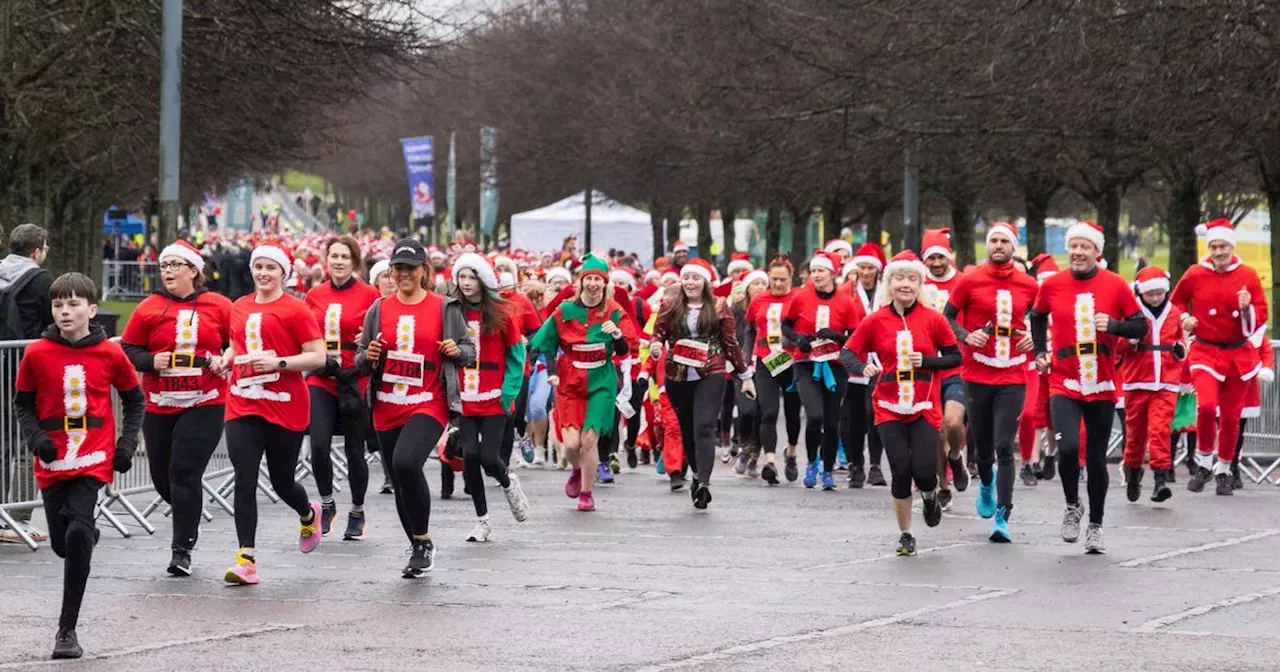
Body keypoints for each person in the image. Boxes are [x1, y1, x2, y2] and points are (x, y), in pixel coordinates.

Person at [14, 272, 144, 659]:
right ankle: (83, 535)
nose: (65, 311)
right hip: (52, 460)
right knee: (61, 543)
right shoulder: (36, 352)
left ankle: (66, 630)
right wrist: (36, 440)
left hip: (94, 456)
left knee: (75, 536)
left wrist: (126, 444)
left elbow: (134, 401)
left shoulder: (110, 353)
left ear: (92, 309)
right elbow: (22, 404)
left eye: (73, 304)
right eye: (58, 304)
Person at [356, 239, 475, 577]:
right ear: (391, 272)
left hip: (428, 400)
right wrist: (370, 357)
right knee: (398, 475)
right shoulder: (378, 309)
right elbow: (360, 359)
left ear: (425, 271)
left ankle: (422, 540)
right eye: (398, 268)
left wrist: (456, 350)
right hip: (386, 403)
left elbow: (470, 350)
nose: (404, 274)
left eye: (411, 268)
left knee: (406, 462)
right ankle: (417, 544)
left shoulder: (444, 307)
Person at [1030, 221, 1146, 554]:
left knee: (1096, 457)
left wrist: (1114, 325)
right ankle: (1071, 505)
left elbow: (1140, 327)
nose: (1079, 252)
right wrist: (1040, 351)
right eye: (1074, 247)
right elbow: (1037, 317)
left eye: (1085, 247)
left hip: (1102, 384)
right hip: (1063, 381)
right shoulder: (1053, 285)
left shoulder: (1116, 285)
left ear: (1097, 252)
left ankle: (1095, 524)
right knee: (1065, 447)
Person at [120, 240, 233, 576]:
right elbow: (128, 347)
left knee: (184, 472)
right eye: (164, 266)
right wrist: (150, 361)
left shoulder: (219, 305)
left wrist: (226, 358)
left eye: (174, 265)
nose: (167, 271)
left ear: (193, 271)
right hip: (159, 401)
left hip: (205, 401)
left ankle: (181, 550)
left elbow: (238, 340)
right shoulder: (149, 307)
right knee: (161, 477)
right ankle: (189, 513)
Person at [841, 251, 961, 556]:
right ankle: (906, 534)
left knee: (923, 471)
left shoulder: (933, 319)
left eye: (911, 279)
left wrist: (929, 360)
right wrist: (861, 367)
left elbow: (955, 356)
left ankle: (931, 494)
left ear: (920, 284)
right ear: (889, 283)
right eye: (899, 278)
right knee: (900, 470)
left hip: (923, 405)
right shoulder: (875, 320)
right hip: (887, 405)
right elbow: (848, 352)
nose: (905, 284)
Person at [222, 242, 328, 585]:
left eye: (271, 268)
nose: (264, 274)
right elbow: (237, 342)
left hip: (285, 402)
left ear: (284, 272)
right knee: (245, 477)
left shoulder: (296, 309)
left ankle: (307, 511)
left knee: (282, 481)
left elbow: (317, 357)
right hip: (243, 400)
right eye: (259, 267)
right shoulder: (239, 306)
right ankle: (246, 559)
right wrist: (227, 356)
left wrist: (279, 362)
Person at [943, 221, 1038, 542]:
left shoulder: (1028, 284)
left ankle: (1002, 516)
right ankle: (985, 482)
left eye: (1004, 241)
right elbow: (947, 316)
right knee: (983, 447)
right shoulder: (969, 281)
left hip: (1013, 372)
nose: (998, 246)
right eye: (993, 241)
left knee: (1003, 446)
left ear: (1014, 247)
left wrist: (1036, 342)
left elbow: (1042, 318)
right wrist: (966, 336)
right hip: (977, 371)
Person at [1170, 219, 1270, 496]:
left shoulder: (1247, 275)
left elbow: (1262, 315)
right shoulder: (1194, 273)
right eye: (1213, 247)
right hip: (1205, 350)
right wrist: (1185, 317)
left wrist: (1248, 308)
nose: (1217, 252)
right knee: (1206, 406)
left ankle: (1224, 469)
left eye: (1222, 246)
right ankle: (1203, 460)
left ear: (1231, 247)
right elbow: (1176, 302)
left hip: (1239, 354)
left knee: (1230, 418)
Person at [528, 254, 636, 512]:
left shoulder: (614, 311)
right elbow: (544, 343)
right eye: (589, 278)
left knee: (589, 440)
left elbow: (624, 350)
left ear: (605, 282)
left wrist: (618, 335)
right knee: (572, 444)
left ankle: (587, 493)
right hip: (570, 380)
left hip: (601, 379)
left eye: (598, 279)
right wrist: (551, 371)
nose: (593, 284)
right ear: (581, 281)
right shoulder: (565, 310)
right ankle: (576, 470)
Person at [649, 258, 753, 509]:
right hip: (678, 375)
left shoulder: (719, 306)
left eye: (696, 278)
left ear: (705, 281)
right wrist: (655, 346)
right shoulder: (670, 303)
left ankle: (704, 484)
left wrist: (745, 375)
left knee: (705, 427)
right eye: (686, 278)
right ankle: (695, 474)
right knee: (688, 430)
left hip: (711, 371)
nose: (690, 282)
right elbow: (659, 332)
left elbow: (730, 343)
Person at [450, 253, 531, 541]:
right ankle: (482, 520)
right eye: (463, 277)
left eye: (472, 277)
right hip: (465, 396)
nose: (467, 283)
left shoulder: (502, 312)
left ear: (483, 280)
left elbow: (517, 353)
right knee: (469, 456)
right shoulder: (452, 311)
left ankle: (509, 482)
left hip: (495, 395)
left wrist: (509, 390)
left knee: (488, 457)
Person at [305, 237, 381, 539]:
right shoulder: (314, 295)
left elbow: (380, 333)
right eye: (333, 256)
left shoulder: (370, 295)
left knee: (353, 450)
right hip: (322, 375)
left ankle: (357, 511)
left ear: (355, 262)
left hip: (355, 377)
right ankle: (327, 504)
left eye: (344, 257)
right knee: (319, 446)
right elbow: (305, 331)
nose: (338, 261)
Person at [783, 251, 860, 490]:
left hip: (835, 365)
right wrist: (798, 339)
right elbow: (786, 325)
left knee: (832, 420)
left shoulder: (846, 302)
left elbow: (855, 336)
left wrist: (836, 336)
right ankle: (812, 463)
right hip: (806, 363)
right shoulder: (801, 298)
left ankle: (827, 470)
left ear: (833, 274)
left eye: (820, 271)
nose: (815, 275)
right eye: (813, 271)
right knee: (814, 416)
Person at [0, 223, 54, 544]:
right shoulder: (41, 280)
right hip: (24, 371)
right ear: (37, 250)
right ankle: (18, 517)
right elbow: (53, 322)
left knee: (0, 446)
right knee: (24, 445)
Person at [1115, 266, 1186, 503]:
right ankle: (1133, 473)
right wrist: (1131, 340)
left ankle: (1160, 480)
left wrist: (1180, 350)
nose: (1155, 297)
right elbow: (1118, 347)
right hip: (1137, 381)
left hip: (1166, 381)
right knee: (1134, 433)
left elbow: (1180, 340)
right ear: (1141, 293)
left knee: (1160, 430)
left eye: (1159, 293)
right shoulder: (1132, 313)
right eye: (1150, 294)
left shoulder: (1174, 312)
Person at [920, 228, 969, 511]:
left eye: (941, 257)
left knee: (952, 423)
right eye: (931, 258)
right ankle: (943, 485)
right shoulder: (917, 282)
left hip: (955, 365)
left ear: (949, 257)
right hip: (926, 369)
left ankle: (955, 456)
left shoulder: (963, 281)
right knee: (935, 430)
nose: (936, 263)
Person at [741, 259, 802, 484]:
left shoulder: (798, 298)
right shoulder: (758, 299)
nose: (777, 283)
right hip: (766, 361)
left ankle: (792, 452)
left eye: (782, 280)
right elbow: (749, 329)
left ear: (791, 278)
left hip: (791, 361)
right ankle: (770, 462)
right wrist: (746, 358)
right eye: (773, 279)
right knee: (768, 412)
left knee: (793, 414)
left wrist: (794, 340)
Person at [843, 242, 888, 487]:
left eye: (870, 267)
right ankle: (856, 464)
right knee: (853, 417)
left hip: (880, 361)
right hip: (855, 361)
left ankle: (875, 466)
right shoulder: (847, 292)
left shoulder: (887, 291)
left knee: (874, 415)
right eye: (862, 267)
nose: (866, 272)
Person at [731, 269, 769, 477]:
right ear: (747, 289)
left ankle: (755, 454)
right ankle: (745, 447)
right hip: (742, 366)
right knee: (747, 411)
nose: (761, 288)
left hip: (766, 365)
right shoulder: (736, 310)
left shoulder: (771, 308)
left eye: (764, 284)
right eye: (756, 284)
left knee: (763, 413)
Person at [368, 260, 395, 495]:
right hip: (375, 375)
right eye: (384, 276)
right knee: (382, 428)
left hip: (407, 377)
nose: (390, 280)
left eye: (392, 275)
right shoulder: (372, 307)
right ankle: (390, 476)